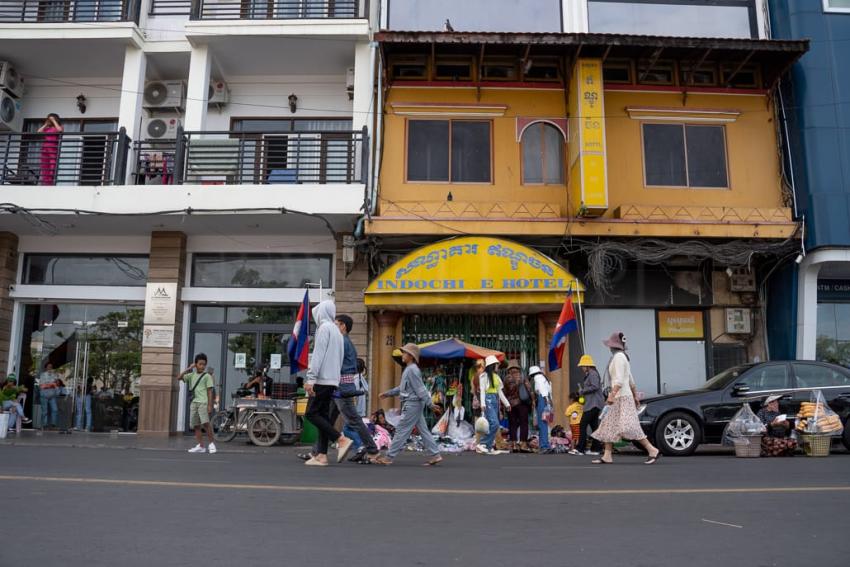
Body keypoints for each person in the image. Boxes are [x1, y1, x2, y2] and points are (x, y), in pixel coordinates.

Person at [591, 332, 661, 465]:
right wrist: (634, 395)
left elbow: (619, 380)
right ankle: (607, 455)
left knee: (629, 425)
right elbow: (630, 379)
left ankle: (652, 449)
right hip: (622, 396)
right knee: (608, 425)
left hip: (621, 397)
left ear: (613, 346)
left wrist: (612, 395)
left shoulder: (618, 358)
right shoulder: (623, 357)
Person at [303, 300, 354, 467]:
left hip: (322, 379)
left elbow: (318, 355)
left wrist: (311, 378)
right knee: (323, 415)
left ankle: (340, 439)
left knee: (311, 413)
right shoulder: (337, 332)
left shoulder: (324, 328)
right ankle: (322, 455)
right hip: (332, 380)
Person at [379, 343, 442, 466]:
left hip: (412, 405)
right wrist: (388, 394)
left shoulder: (412, 370)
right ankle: (436, 455)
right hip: (415, 404)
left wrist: (430, 404)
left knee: (401, 430)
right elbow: (403, 388)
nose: (403, 355)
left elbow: (420, 389)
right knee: (424, 431)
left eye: (405, 352)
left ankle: (389, 457)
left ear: (411, 356)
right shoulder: (410, 369)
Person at [333, 314, 384, 465]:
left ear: (343, 326)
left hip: (342, 387)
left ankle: (371, 449)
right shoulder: (346, 342)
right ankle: (318, 451)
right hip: (339, 386)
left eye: (336, 324)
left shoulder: (342, 342)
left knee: (353, 420)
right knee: (327, 417)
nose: (334, 327)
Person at [176, 353, 216, 454]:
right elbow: (179, 377)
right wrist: (189, 368)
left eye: (204, 364)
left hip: (203, 402)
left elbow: (210, 391)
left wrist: (210, 405)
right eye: (200, 364)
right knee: (195, 425)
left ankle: (211, 444)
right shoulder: (191, 375)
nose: (202, 366)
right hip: (194, 403)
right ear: (196, 364)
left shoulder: (207, 376)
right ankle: (201, 446)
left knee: (206, 423)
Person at [477, 355, 511, 455]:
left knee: (493, 425)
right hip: (488, 400)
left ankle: (487, 446)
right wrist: (482, 404)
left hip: (495, 400)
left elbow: (500, 392)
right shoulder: (483, 376)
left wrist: (506, 403)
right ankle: (482, 444)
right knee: (495, 423)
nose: (498, 366)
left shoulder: (496, 377)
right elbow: (482, 391)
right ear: (492, 365)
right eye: (496, 364)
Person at [572, 355, 604, 456]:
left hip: (593, 404)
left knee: (582, 424)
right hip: (593, 404)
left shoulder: (593, 374)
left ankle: (580, 448)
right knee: (595, 427)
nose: (582, 368)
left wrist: (583, 391)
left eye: (582, 366)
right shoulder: (590, 374)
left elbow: (595, 386)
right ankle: (596, 449)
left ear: (587, 365)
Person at [503, 359, 533, 452]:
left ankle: (514, 444)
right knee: (524, 423)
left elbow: (504, 392)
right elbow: (529, 389)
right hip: (522, 404)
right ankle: (523, 444)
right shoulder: (522, 376)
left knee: (513, 424)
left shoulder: (506, 378)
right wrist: (533, 401)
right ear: (517, 368)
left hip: (510, 405)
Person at [530, 365, 553, 453]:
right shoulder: (544, 378)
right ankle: (545, 444)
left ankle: (544, 446)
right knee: (545, 423)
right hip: (547, 401)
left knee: (542, 424)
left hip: (542, 400)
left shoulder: (537, 378)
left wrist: (544, 401)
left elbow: (542, 391)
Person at [38, 113, 63, 186]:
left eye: (51, 118)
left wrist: (54, 121)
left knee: (52, 168)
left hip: (53, 149)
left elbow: (60, 130)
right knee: (44, 167)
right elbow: (39, 131)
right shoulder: (47, 128)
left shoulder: (58, 127)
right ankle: (45, 184)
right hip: (45, 149)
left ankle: (50, 184)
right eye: (49, 119)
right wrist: (46, 124)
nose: (50, 120)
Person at [38, 363, 59, 429]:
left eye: (51, 367)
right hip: (44, 394)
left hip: (52, 395)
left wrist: (54, 383)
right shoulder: (43, 375)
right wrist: (52, 384)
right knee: (45, 411)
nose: (50, 368)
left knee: (55, 409)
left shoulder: (54, 375)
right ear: (46, 368)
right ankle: (44, 425)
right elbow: (42, 386)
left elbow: (57, 384)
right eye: (49, 367)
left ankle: (53, 424)